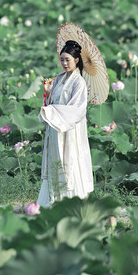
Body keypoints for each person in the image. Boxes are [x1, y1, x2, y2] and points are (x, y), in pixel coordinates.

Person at [36, 40, 94, 207]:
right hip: (56, 130)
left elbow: (77, 110)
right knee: (55, 162)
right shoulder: (60, 79)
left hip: (70, 132)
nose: (64, 63)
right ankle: (51, 201)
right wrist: (48, 93)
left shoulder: (79, 83)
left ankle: (70, 203)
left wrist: (52, 111)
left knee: (69, 162)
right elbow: (52, 103)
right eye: (62, 59)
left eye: (68, 59)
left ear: (77, 61)